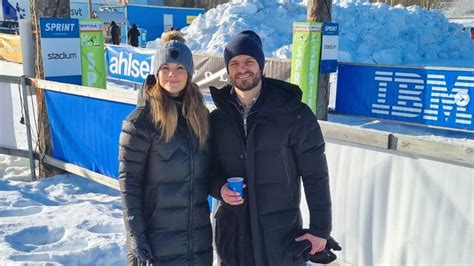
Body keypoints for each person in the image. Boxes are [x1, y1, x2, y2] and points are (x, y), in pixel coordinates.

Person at [209, 30, 332, 266]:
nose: (242, 69)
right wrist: (219, 188)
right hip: (233, 238)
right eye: (234, 63)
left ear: (261, 65)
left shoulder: (294, 113)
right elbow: (208, 169)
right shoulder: (218, 118)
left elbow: (316, 175)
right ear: (227, 70)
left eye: (249, 61)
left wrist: (320, 229)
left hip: (279, 239)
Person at [118, 33, 213, 265]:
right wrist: (135, 236)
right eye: (166, 67)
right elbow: (129, 185)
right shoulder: (140, 122)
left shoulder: (201, 117)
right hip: (156, 245)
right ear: (156, 72)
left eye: (180, 67)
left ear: (190, 73)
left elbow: (210, 173)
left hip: (197, 244)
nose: (173, 74)